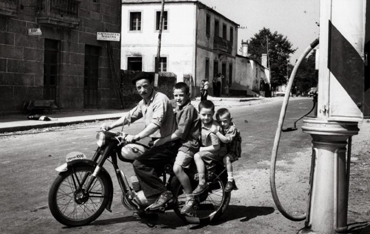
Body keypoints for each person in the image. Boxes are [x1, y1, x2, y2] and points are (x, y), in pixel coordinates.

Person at [100, 72, 179, 209]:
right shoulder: (144, 102)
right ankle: (147, 197)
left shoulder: (160, 99)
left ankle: (162, 194)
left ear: (151, 85)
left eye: (145, 86)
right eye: (139, 88)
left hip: (167, 143)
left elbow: (156, 124)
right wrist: (111, 125)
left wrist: (136, 136)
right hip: (155, 142)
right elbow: (130, 116)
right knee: (136, 157)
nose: (142, 90)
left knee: (140, 164)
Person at [154, 82, 200, 214]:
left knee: (177, 168)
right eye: (175, 95)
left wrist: (163, 140)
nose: (178, 98)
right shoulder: (179, 107)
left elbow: (180, 132)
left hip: (189, 144)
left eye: (181, 95)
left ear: (188, 95)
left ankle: (190, 197)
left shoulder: (188, 109)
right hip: (180, 143)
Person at [192, 100, 225, 195]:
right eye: (203, 115)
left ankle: (202, 182)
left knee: (197, 156)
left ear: (213, 114)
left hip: (215, 152)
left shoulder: (213, 127)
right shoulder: (201, 124)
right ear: (199, 114)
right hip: (209, 150)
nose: (206, 118)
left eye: (209, 115)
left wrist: (202, 149)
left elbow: (216, 147)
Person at [211, 108, 239, 192]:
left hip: (232, 151)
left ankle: (230, 180)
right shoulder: (220, 126)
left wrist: (217, 132)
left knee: (226, 159)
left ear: (230, 120)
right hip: (224, 150)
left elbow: (226, 140)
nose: (222, 124)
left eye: (225, 121)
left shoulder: (232, 128)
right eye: (219, 122)